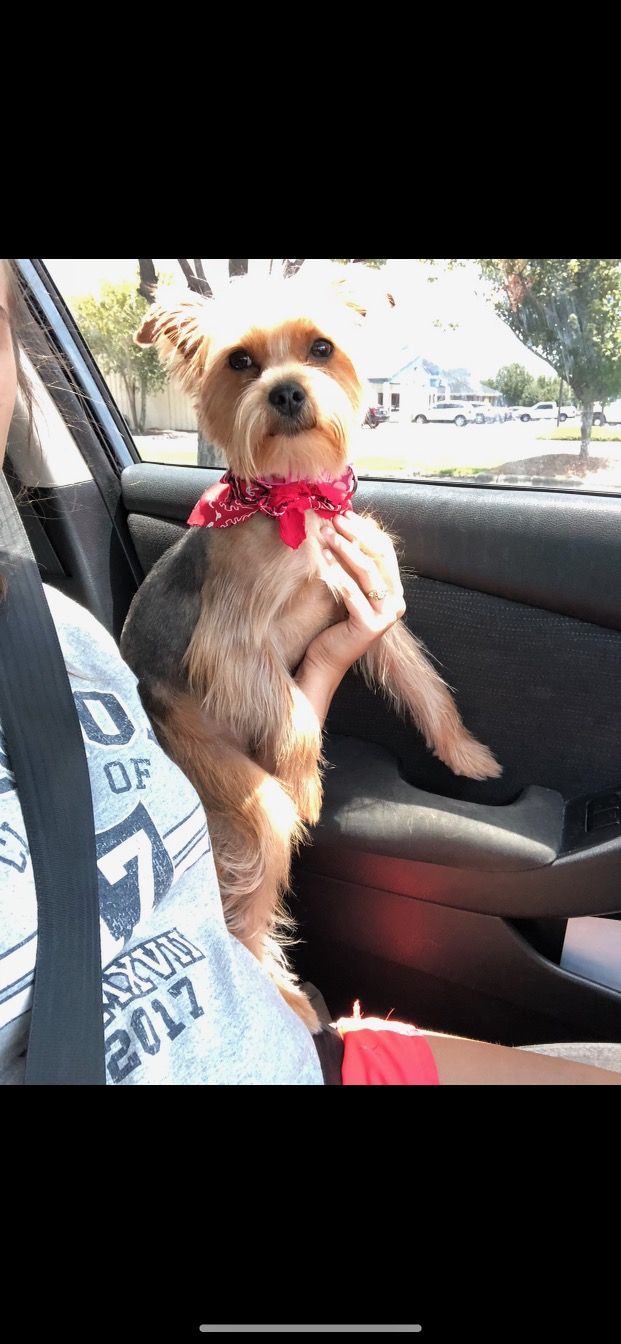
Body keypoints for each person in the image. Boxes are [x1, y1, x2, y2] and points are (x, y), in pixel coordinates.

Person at [1, 257, 620, 1086]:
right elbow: (224, 659)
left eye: (317, 350)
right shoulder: (233, 544)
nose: (285, 384)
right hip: (179, 712)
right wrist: (295, 751)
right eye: (243, 363)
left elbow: (372, 630)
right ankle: (257, 959)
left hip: (284, 1044)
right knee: (264, 818)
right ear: (203, 384)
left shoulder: (64, 636)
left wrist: (442, 730)